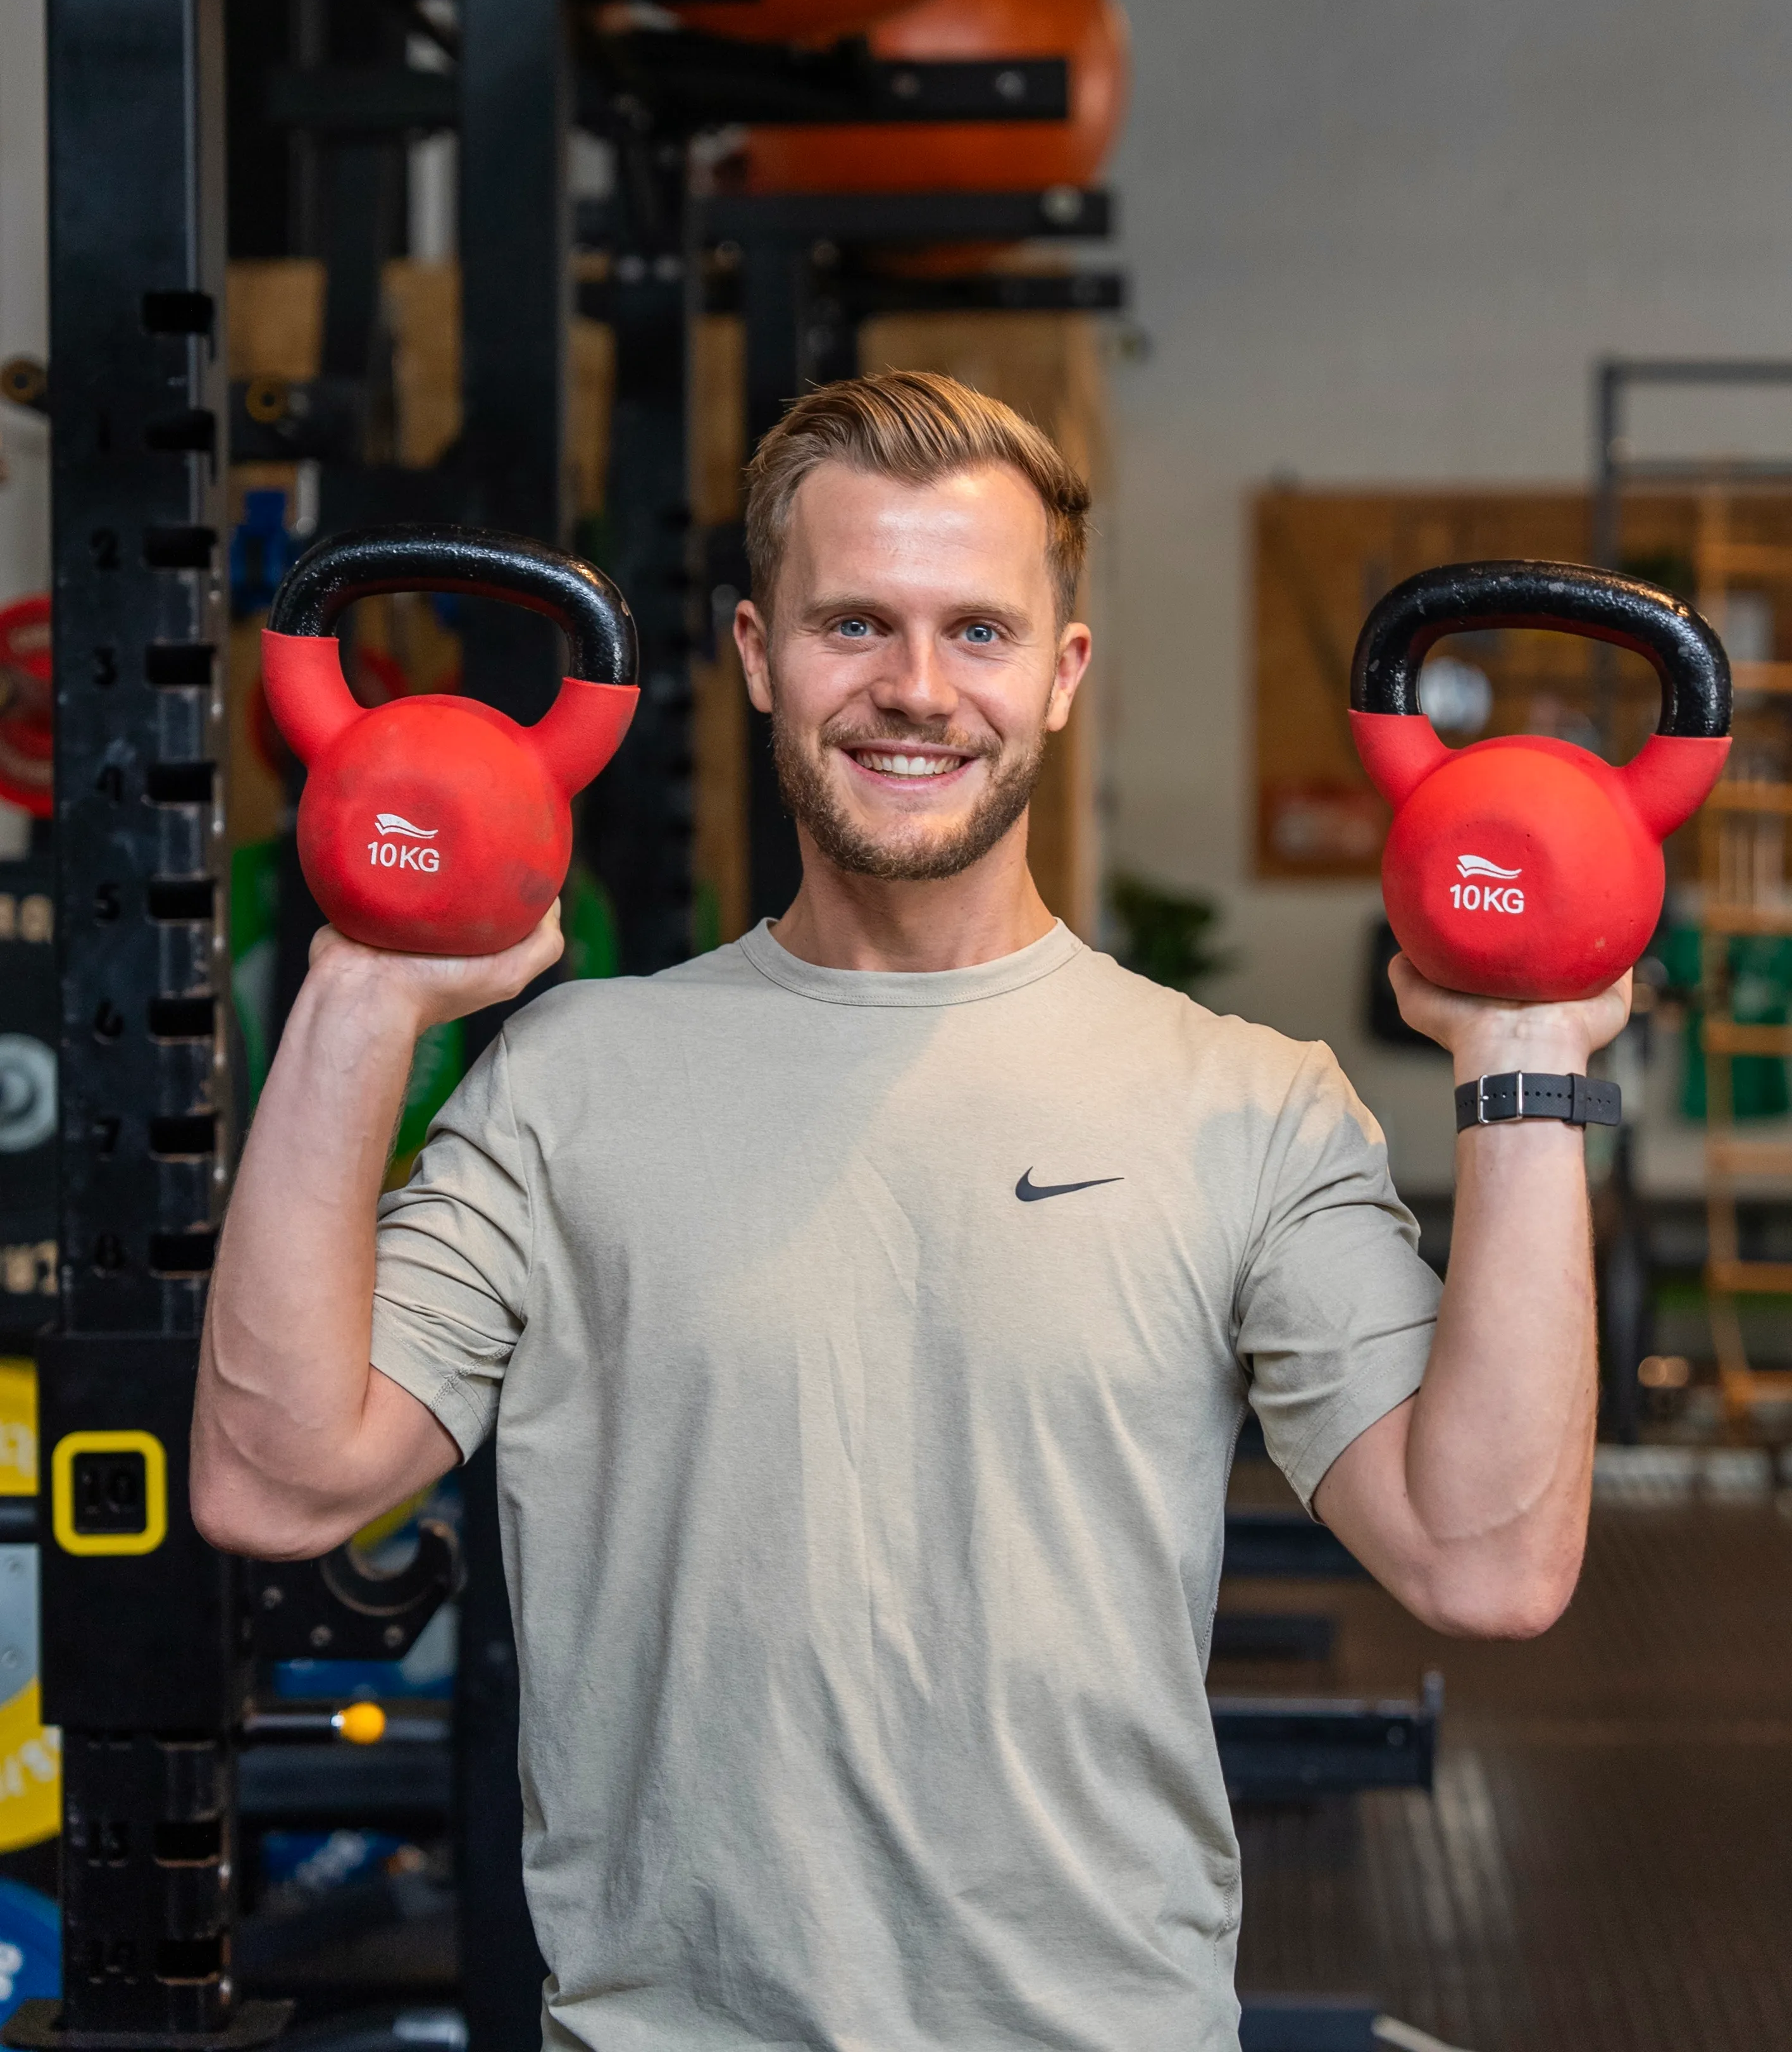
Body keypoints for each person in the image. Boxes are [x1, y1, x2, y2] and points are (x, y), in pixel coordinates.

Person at [194, 371, 1622, 2052]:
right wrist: (362, 994)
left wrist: (1527, 1074)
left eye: (980, 633)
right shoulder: (574, 1078)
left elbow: (1490, 1561)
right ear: (751, 653)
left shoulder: (1243, 1101)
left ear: (1065, 672)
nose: (917, 690)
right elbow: (274, 1479)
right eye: (854, 624)